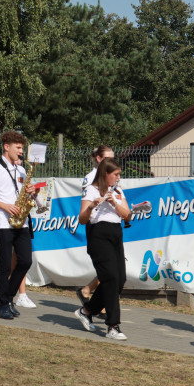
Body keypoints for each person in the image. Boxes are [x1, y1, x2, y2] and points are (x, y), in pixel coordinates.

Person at [0, 131, 38, 320]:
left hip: (22, 222)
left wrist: (32, 193)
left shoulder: (21, 170)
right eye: (18, 148)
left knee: (25, 261)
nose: (21, 152)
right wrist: (4, 206)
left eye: (22, 148)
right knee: (4, 265)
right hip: (2, 222)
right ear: (6, 147)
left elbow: (25, 195)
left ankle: (8, 297)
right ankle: (2, 304)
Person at [74, 158, 131, 340]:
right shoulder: (91, 189)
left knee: (120, 278)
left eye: (119, 174)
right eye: (115, 175)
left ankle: (87, 310)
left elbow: (128, 216)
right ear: (105, 174)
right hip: (98, 235)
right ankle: (113, 326)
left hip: (115, 234)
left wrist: (114, 202)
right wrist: (92, 205)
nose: (118, 178)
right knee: (110, 278)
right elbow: (82, 219)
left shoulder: (119, 191)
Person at [77, 144, 114, 310]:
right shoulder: (90, 177)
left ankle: (88, 290)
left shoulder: (112, 176)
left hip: (110, 225)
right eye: (108, 159)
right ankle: (100, 301)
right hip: (96, 224)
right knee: (107, 266)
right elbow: (87, 204)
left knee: (112, 266)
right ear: (99, 159)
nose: (111, 162)